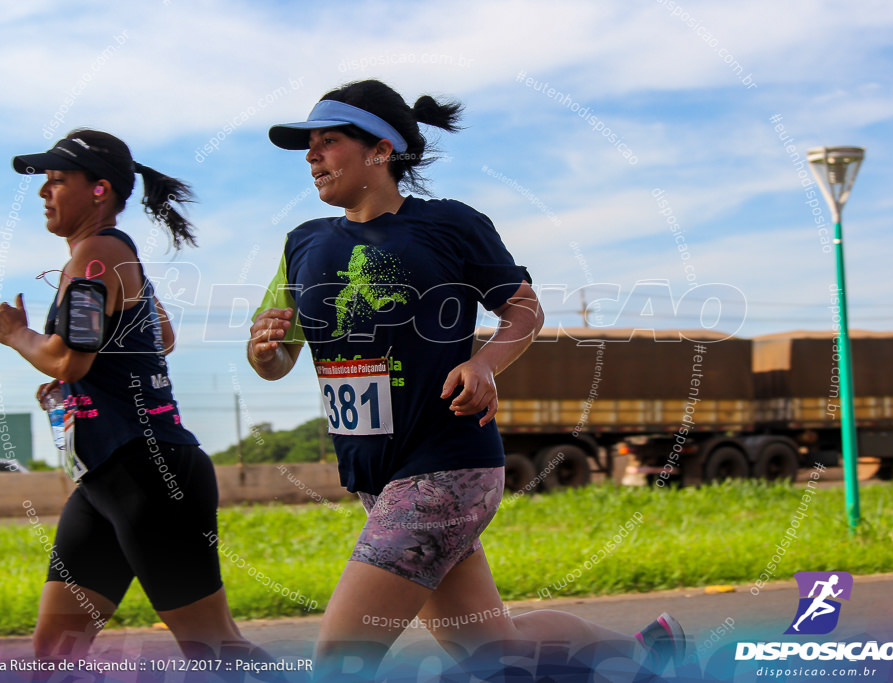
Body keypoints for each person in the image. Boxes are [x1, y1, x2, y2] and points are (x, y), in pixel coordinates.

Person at [249, 80, 686, 679]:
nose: (311, 156)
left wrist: (483, 363)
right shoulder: (302, 244)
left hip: (445, 465)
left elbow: (524, 309)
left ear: (380, 150)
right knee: (494, 652)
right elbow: (278, 360)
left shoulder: (449, 225)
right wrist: (265, 350)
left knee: (340, 661)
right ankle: (649, 655)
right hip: (375, 474)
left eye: (328, 142)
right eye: (309, 146)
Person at [0, 130, 257, 664]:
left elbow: (71, 356)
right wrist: (73, 391)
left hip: (149, 475)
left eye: (58, 180)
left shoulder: (95, 255)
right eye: (44, 182)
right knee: (54, 652)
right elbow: (158, 338)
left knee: (216, 649)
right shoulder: (112, 258)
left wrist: (15, 334)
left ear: (99, 189)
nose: (44, 192)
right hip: (103, 481)